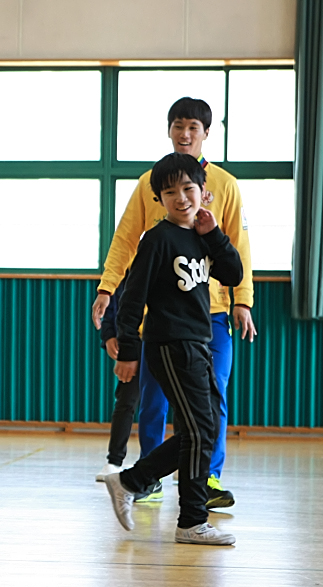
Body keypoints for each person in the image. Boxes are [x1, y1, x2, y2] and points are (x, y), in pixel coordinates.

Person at [92, 97, 256, 508]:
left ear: (205, 134)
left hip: (212, 314)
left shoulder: (225, 186)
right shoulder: (152, 184)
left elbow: (239, 249)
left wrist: (243, 301)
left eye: (194, 128)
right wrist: (106, 287)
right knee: (154, 399)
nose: (186, 134)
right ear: (169, 131)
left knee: (213, 397)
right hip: (161, 319)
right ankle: (148, 475)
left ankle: (207, 478)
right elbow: (126, 240)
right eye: (179, 126)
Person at [103, 153, 242, 545]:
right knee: (200, 429)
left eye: (188, 189)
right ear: (159, 199)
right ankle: (191, 520)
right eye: (170, 192)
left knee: (205, 428)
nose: (180, 198)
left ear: (204, 193)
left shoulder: (200, 235)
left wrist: (214, 234)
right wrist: (129, 351)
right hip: (169, 344)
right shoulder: (158, 239)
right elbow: (132, 299)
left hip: (200, 343)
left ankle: (131, 481)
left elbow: (232, 274)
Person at [95, 280, 161, 503]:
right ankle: (114, 460)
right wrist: (109, 334)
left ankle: (176, 465)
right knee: (126, 399)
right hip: (133, 341)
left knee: (176, 402)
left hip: (164, 335)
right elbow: (116, 302)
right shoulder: (121, 266)